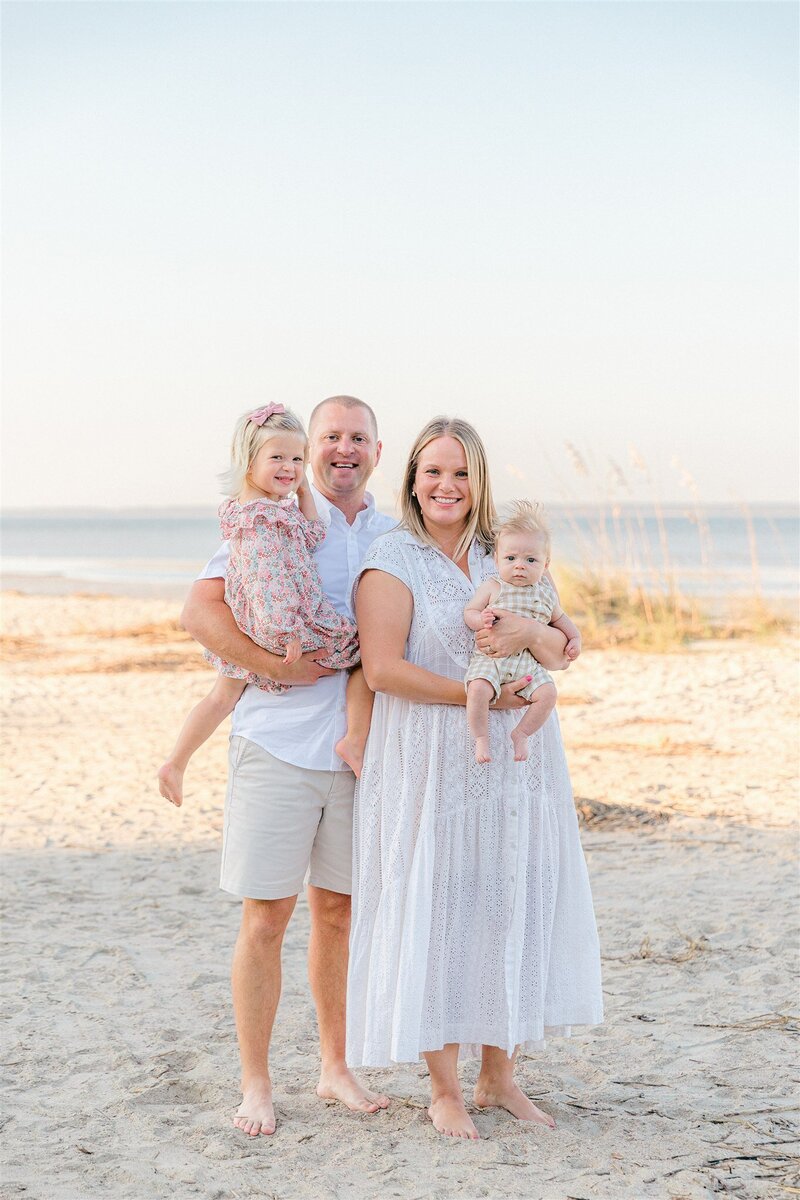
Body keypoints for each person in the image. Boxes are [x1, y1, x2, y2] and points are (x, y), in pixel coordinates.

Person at [346, 416, 603, 1140]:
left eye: (460, 473)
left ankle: (500, 1077)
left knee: (504, 904)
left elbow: (558, 648)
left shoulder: (508, 553)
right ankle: (444, 1090)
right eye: (433, 472)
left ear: (479, 480)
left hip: (516, 769)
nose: (446, 486)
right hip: (430, 761)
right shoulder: (391, 558)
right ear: (413, 479)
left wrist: (539, 638)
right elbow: (383, 669)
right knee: (438, 913)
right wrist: (472, 694)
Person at [179, 396, 395, 1137]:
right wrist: (276, 663)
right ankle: (257, 1083)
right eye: (329, 436)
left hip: (359, 756)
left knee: (338, 914)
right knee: (266, 917)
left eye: (355, 438)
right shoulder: (273, 516)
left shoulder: (391, 534)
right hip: (274, 745)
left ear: (376, 447)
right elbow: (201, 614)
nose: (342, 448)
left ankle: (335, 1068)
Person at [158, 403, 371, 806]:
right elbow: (267, 582)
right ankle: (355, 740)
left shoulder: (273, 512)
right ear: (247, 463)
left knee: (222, 695)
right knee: (360, 651)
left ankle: (177, 760)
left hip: (259, 621)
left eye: (296, 459)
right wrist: (285, 635)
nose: (289, 468)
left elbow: (311, 534)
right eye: (277, 458)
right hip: (276, 622)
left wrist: (304, 490)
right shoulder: (259, 523)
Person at [464, 499, 581, 764]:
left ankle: (522, 733)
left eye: (531, 559)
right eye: (511, 558)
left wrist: (575, 639)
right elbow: (469, 612)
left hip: (527, 665)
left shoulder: (544, 594)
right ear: (496, 559)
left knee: (549, 694)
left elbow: (562, 620)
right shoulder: (493, 587)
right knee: (478, 689)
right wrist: (480, 620)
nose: (520, 565)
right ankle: (481, 738)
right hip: (492, 660)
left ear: (546, 564)